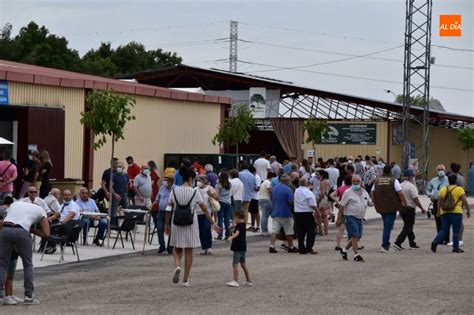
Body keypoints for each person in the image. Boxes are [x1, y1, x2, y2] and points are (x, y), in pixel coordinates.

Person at [166, 168, 219, 287]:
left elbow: (168, 208)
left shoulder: (174, 191)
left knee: (177, 248)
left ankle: (177, 266)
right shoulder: (195, 192)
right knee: (189, 251)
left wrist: (166, 224)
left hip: (177, 220)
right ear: (190, 179)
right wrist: (212, 222)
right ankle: (185, 280)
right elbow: (205, 208)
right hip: (191, 220)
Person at [0, 199, 50, 305]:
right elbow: (46, 233)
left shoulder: (15, 204)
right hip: (22, 230)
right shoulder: (41, 210)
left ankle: (0, 296)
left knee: (3, 263)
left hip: (6, 228)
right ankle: (29, 296)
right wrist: (32, 230)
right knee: (27, 264)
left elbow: (4, 221)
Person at [431, 174, 470, 253]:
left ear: (448, 180)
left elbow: (439, 201)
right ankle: (455, 248)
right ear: (456, 180)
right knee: (456, 230)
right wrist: (468, 210)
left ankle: (435, 242)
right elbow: (464, 200)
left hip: (444, 212)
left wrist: (438, 211)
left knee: (444, 230)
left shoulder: (443, 189)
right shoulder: (459, 189)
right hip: (456, 212)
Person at [371, 165, 406, 252]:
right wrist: (405, 203)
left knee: (386, 224)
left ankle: (386, 243)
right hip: (391, 206)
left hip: (380, 206)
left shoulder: (377, 181)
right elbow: (400, 193)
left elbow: (372, 192)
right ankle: (385, 245)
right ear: (391, 172)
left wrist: (374, 202)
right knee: (388, 226)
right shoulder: (394, 181)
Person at [338, 175, 372, 262]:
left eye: (357, 181)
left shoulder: (364, 192)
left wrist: (372, 203)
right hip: (350, 216)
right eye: (354, 181)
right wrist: (339, 218)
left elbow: (369, 201)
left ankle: (344, 250)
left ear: (360, 182)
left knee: (357, 237)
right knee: (354, 235)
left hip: (360, 217)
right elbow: (341, 205)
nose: (356, 183)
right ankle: (356, 255)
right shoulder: (348, 192)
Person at [393, 170, 427, 250]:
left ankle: (412, 242)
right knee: (408, 226)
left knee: (408, 225)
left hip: (402, 208)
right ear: (410, 177)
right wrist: (422, 208)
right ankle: (398, 242)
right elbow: (415, 199)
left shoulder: (400, 185)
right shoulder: (412, 187)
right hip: (410, 208)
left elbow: (397, 198)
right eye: (413, 176)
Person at [269, 174, 298, 253]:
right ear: (286, 181)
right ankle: (291, 247)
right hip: (285, 213)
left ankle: (272, 246)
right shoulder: (287, 189)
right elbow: (290, 201)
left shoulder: (274, 188)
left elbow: (271, 198)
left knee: (274, 230)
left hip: (275, 212)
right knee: (289, 231)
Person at [150, 168, 175, 254]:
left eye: (166, 180)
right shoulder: (162, 188)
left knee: (170, 229)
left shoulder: (176, 189)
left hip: (171, 212)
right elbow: (157, 199)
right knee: (160, 228)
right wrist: (152, 205)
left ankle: (170, 247)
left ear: (171, 181)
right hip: (161, 212)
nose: (165, 181)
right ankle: (162, 246)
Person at [226, 211, 252, 287]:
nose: (234, 219)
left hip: (238, 247)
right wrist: (233, 227)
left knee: (235, 264)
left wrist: (231, 237)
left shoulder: (238, 226)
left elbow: (237, 233)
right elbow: (236, 231)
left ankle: (235, 280)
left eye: (234, 217)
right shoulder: (243, 225)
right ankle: (248, 280)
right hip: (243, 247)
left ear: (237, 217)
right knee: (243, 264)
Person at [426, 164, 449, 244]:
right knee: (438, 220)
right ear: (436, 171)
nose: (440, 171)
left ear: (444, 170)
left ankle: (447, 239)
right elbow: (428, 189)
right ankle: (440, 238)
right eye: (439, 169)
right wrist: (430, 195)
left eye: (442, 169)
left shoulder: (448, 179)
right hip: (436, 201)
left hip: (446, 202)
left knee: (446, 220)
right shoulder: (433, 180)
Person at [294, 178, 318, 255]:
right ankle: (309, 247)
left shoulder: (296, 190)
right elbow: (313, 204)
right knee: (311, 231)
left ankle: (301, 248)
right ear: (307, 183)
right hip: (307, 213)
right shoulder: (308, 192)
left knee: (300, 231)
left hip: (298, 212)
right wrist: (318, 213)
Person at [196, 175, 217, 255]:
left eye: (200, 180)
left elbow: (217, 198)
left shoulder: (209, 188)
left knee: (207, 228)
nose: (198, 182)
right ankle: (204, 247)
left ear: (205, 180)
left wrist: (211, 195)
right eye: (197, 180)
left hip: (208, 211)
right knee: (201, 230)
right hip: (198, 211)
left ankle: (209, 247)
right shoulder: (195, 189)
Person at [332, 175, 352, 251]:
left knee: (341, 229)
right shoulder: (352, 189)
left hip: (342, 209)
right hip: (351, 209)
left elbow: (331, 195)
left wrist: (338, 201)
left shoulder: (341, 188)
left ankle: (337, 244)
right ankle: (354, 244)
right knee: (353, 229)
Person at [215, 171, 232, 240]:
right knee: (227, 219)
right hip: (228, 202)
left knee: (220, 219)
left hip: (221, 202)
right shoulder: (229, 184)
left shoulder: (219, 185)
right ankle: (228, 234)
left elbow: (216, 194)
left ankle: (220, 235)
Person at [239, 161, 256, 226]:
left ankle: (239, 225)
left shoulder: (240, 174)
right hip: (249, 195)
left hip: (240, 195)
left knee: (238, 211)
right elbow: (254, 186)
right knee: (245, 210)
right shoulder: (252, 175)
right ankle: (244, 225)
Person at [316, 170, 331, 236]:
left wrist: (318, 201)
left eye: (318, 175)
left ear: (322, 175)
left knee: (318, 216)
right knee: (325, 216)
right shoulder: (327, 181)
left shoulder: (322, 182)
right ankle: (326, 231)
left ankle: (320, 230)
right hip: (326, 199)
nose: (317, 176)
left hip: (322, 200)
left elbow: (322, 194)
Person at [247, 165, 261, 233]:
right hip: (251, 196)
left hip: (255, 197)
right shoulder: (252, 177)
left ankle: (258, 226)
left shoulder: (257, 177)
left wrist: (250, 187)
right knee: (252, 212)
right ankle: (252, 226)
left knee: (256, 212)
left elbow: (258, 188)